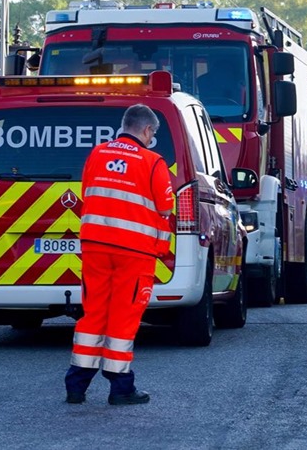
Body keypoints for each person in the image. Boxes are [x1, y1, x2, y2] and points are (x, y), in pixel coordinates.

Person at [64, 104, 174, 406]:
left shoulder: (97, 154)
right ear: (147, 130)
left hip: (95, 247)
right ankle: (121, 387)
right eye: (153, 133)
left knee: (93, 313)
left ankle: (76, 386)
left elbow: (88, 192)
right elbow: (165, 207)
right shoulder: (153, 162)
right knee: (124, 317)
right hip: (134, 251)